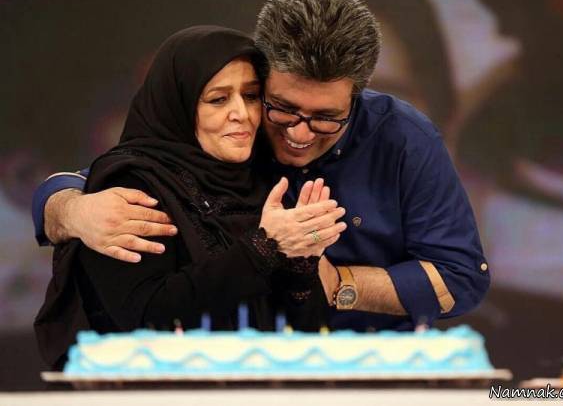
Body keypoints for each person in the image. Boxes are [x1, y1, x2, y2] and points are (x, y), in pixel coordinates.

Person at [33, 0, 490, 334]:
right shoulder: (234, 128)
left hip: (375, 363)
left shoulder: (403, 138)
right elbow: (118, 175)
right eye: (282, 108)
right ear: (260, 77)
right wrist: (71, 210)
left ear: (356, 97)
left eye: (326, 118)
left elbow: (461, 277)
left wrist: (337, 284)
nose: (299, 134)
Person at [34, 25, 347, 369]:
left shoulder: (264, 179)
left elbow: (304, 334)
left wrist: (301, 266)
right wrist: (263, 247)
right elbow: (148, 317)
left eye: (251, 96)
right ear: (179, 104)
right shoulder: (134, 183)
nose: (242, 114)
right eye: (218, 99)